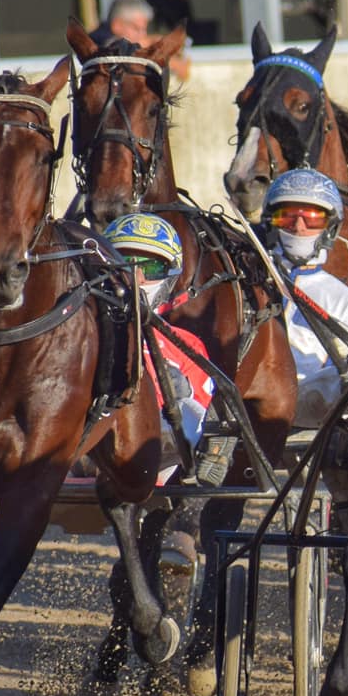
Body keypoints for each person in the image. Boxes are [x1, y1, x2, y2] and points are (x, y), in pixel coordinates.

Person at [103, 212, 219, 568]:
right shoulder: (80, 334)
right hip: (84, 446)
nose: (136, 277)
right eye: (125, 263)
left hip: (160, 453)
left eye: (150, 268)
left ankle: (188, 519)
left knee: (217, 424)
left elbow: (199, 416)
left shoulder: (185, 344)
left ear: (169, 277)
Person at [261, 168, 348, 425]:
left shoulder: (347, 303)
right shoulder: (251, 284)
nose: (299, 227)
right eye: (287, 217)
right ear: (270, 220)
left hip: (310, 416)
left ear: (330, 227)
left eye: (312, 218)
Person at [89, 0, 192, 82]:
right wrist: (168, 61)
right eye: (137, 29)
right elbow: (119, 52)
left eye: (144, 29)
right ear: (118, 25)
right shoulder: (97, 41)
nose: (143, 35)